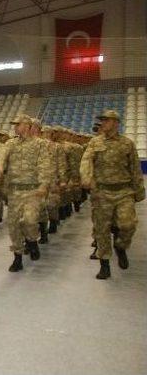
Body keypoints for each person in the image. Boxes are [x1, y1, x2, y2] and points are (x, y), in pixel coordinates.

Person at [80, 110, 145, 280]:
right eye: (102, 121)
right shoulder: (95, 142)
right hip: (101, 192)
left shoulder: (127, 144)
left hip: (124, 191)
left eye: (106, 121)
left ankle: (121, 247)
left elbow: (135, 169)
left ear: (116, 123)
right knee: (102, 230)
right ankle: (105, 264)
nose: (103, 123)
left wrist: (139, 192)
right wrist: (86, 177)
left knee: (128, 225)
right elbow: (86, 161)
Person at [0, 114, 51, 272]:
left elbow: (45, 165)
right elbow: (1, 155)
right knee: (13, 224)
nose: (15, 127)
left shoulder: (40, 144)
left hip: (33, 190)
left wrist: (44, 185)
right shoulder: (11, 143)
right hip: (14, 191)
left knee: (29, 220)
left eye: (18, 124)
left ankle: (32, 241)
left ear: (27, 125)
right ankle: (17, 256)